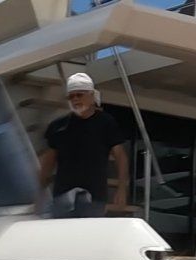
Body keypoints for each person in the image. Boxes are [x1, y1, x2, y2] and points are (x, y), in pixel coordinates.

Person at [39, 73, 131, 219]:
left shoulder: (106, 123)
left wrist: (121, 189)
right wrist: (39, 192)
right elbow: (48, 162)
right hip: (62, 196)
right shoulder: (58, 126)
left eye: (79, 95)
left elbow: (120, 157)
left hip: (94, 197)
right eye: (71, 96)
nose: (75, 99)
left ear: (91, 95)